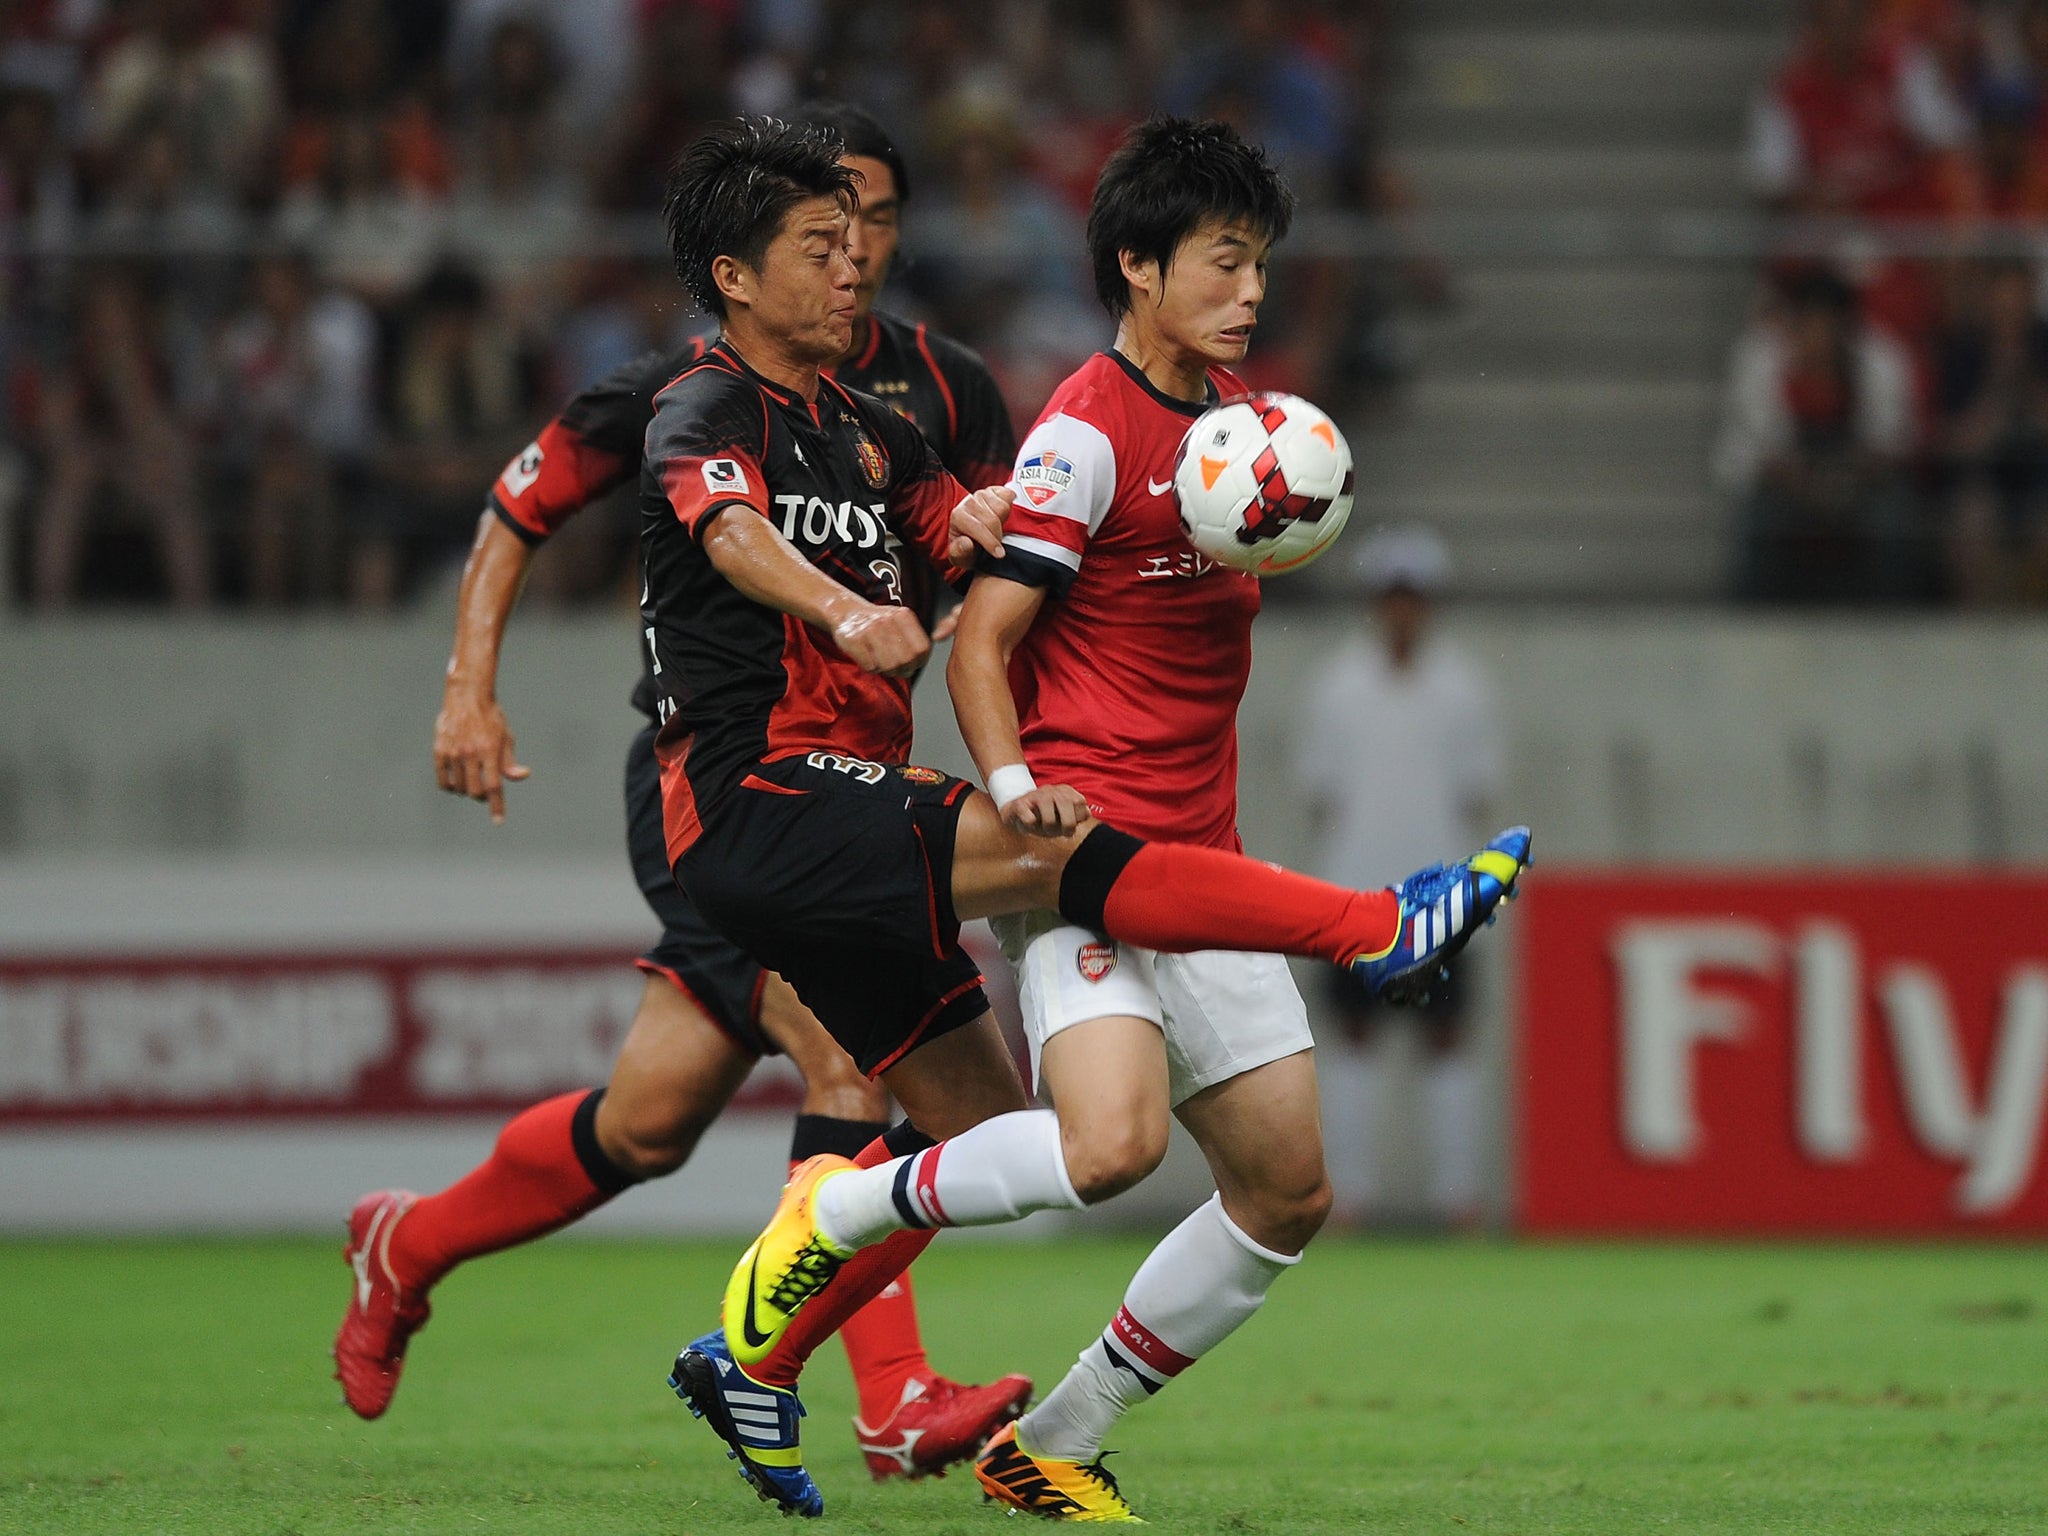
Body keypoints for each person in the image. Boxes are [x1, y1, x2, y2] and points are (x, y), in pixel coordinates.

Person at [642, 113, 1527, 1520]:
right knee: (1106, 1151)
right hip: (1085, 857)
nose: (1251, 293)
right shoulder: (1084, 433)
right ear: (1138, 265)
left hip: (1205, 863)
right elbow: (984, 648)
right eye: (1226, 264)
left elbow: (1025, 548)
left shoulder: (1248, 435)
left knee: (1288, 1194)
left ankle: (1050, 1439)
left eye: (1260, 266)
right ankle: (843, 1210)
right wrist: (1010, 790)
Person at [332, 103, 1033, 1484]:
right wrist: (468, 688)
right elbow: (520, 503)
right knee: (853, 1058)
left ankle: (405, 1243)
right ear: (754, 252)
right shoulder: (694, 387)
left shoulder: (948, 393)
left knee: (649, 1121)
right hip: (726, 784)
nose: (858, 249)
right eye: (830, 223)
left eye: (878, 219)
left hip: (862, 783)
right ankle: (887, 1398)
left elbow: (997, 583)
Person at [1296, 527, 1503, 1228]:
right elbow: (1324, 790)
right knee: (1353, 1036)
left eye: (1413, 598)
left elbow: (1475, 790)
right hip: (1356, 889)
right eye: (1393, 597)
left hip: (1441, 896)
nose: (1403, 611)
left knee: (1446, 1040)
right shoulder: (1338, 686)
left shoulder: (1463, 688)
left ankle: (1458, 1196)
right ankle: (1348, 1195)